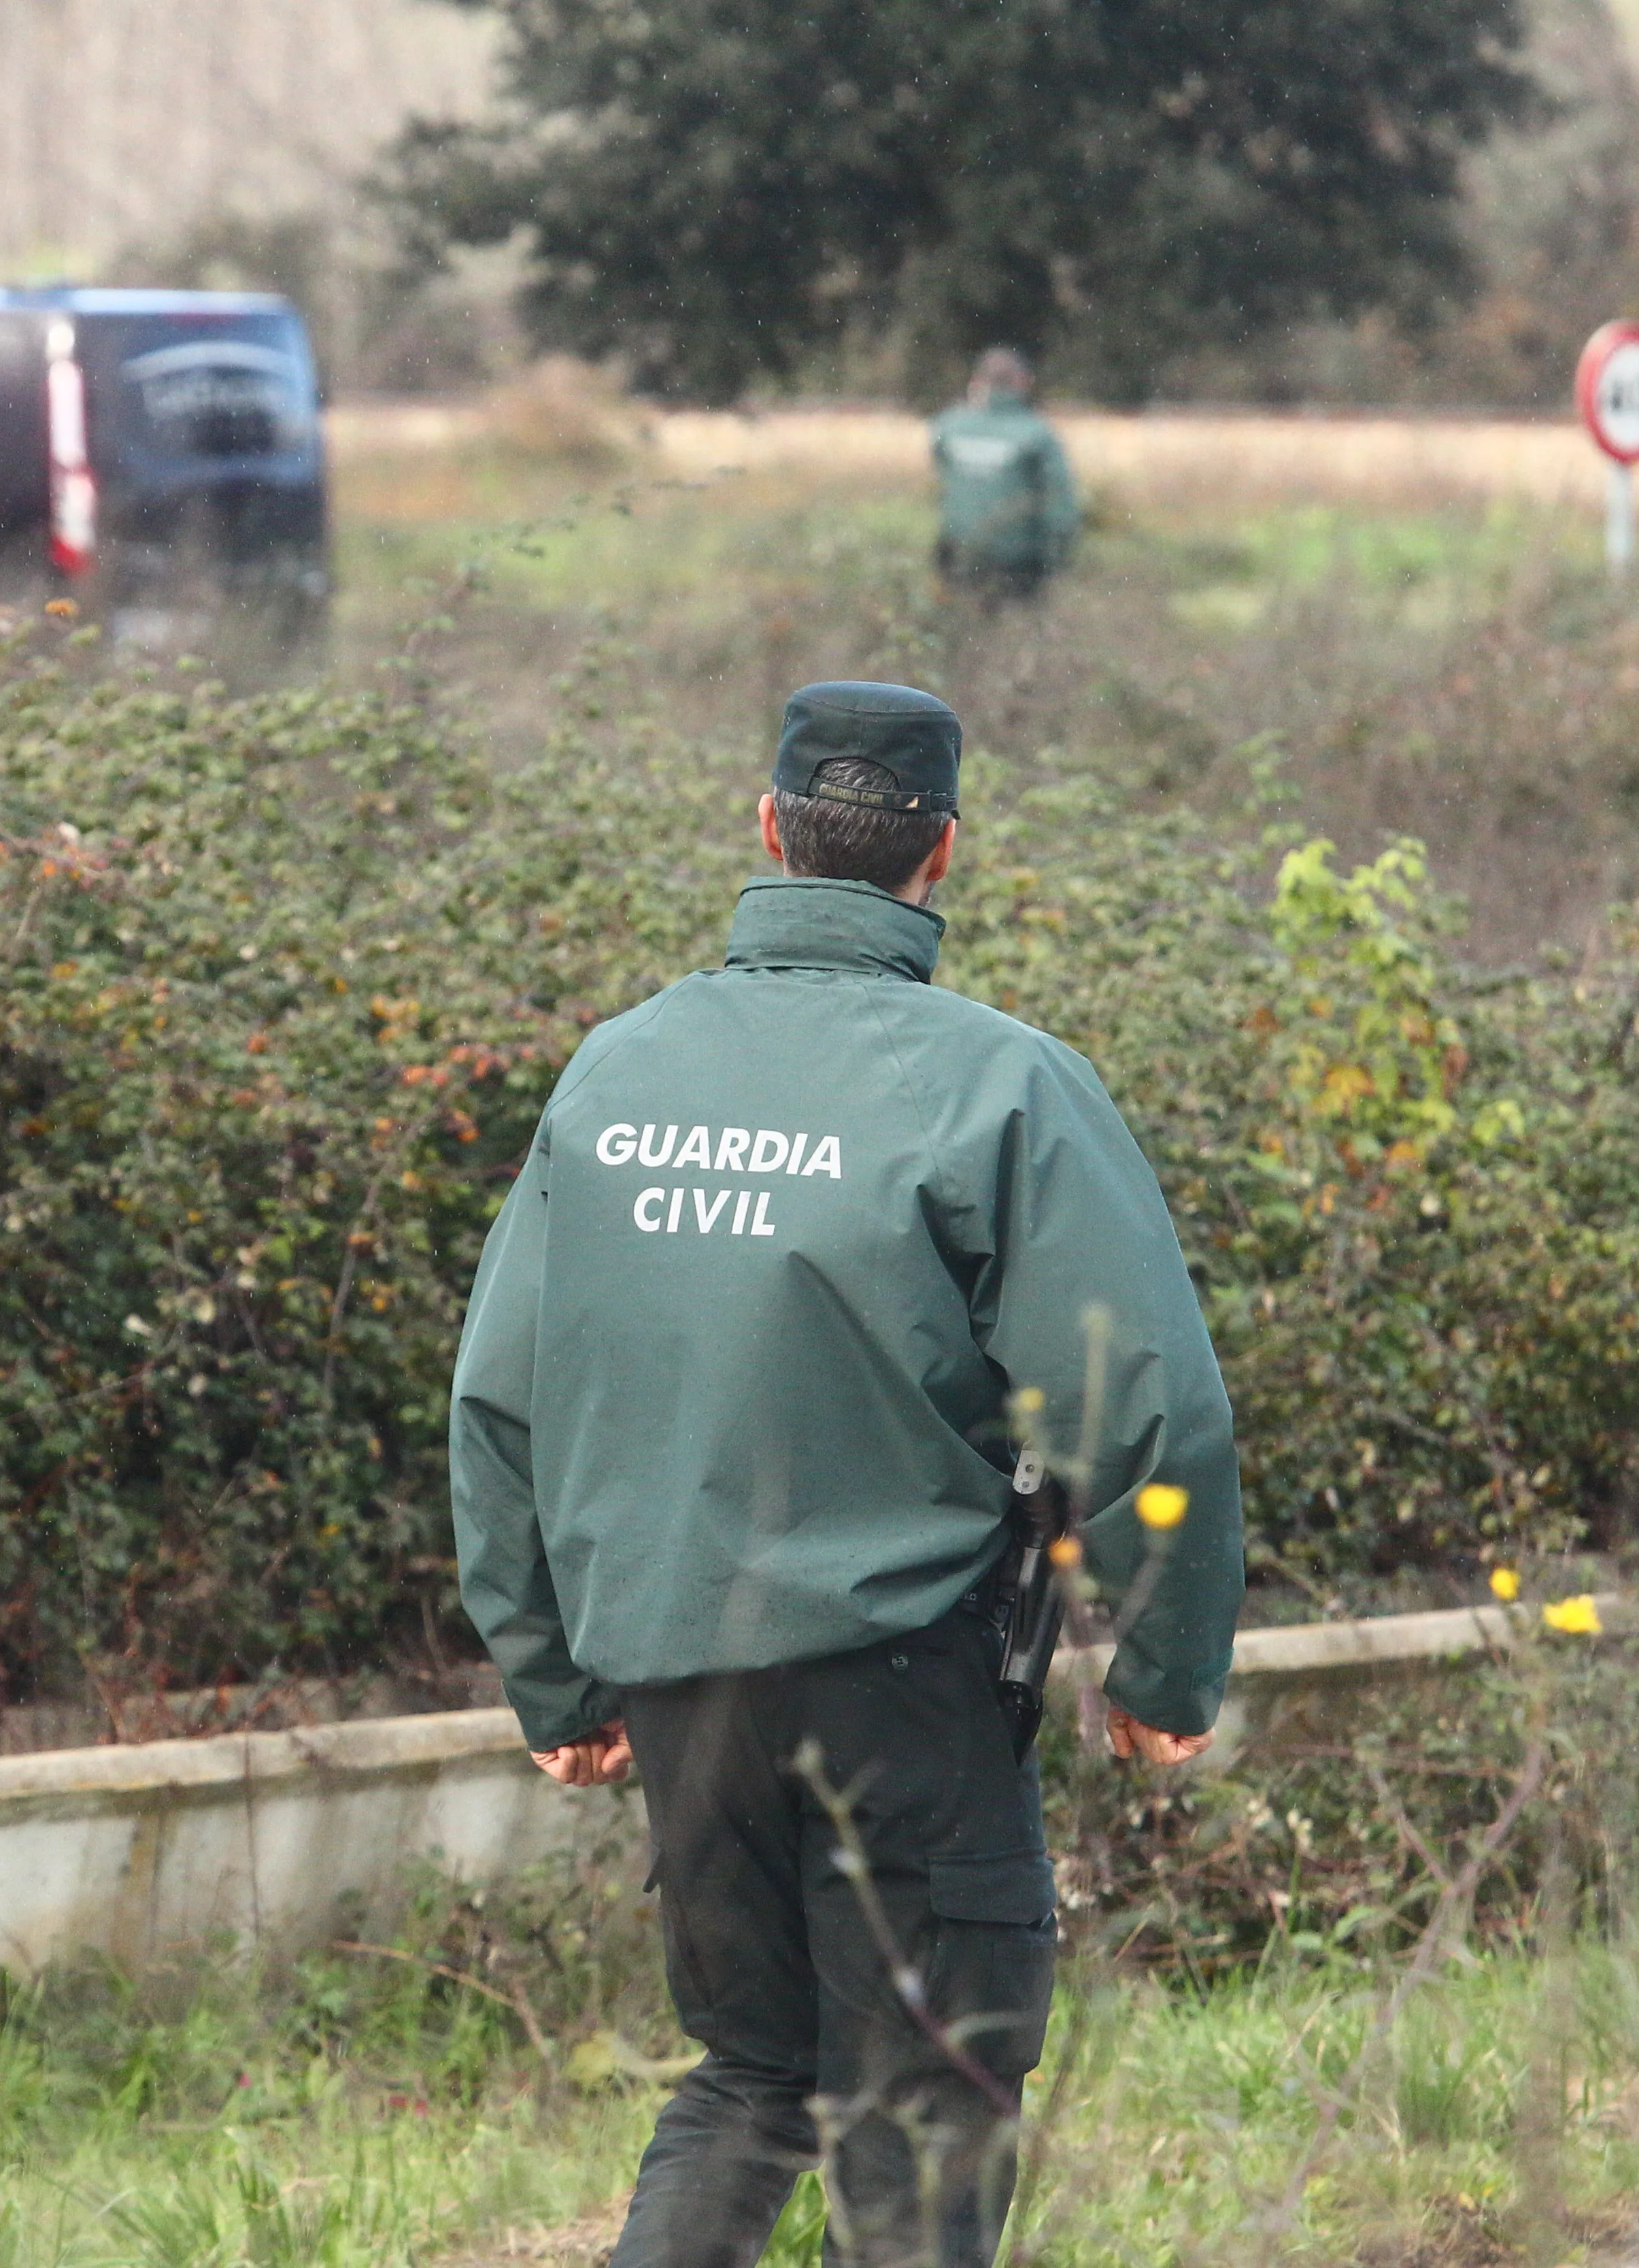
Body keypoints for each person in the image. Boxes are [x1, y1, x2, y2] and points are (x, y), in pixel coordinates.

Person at [450, 680, 1244, 2268]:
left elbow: (500, 1402)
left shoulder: (612, 1075)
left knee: (749, 2075)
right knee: (921, 2119)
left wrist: (558, 1684)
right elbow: (1144, 1405)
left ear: (765, 831)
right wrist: (1165, 1664)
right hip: (906, 1699)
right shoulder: (999, 1084)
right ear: (940, 853)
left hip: (683, 1693)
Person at [928, 349, 1079, 603]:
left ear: (977, 381)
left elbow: (942, 472)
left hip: (957, 552)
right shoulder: (1038, 434)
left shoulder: (947, 426)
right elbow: (1061, 505)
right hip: (1017, 561)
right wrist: (1059, 556)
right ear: (1024, 382)